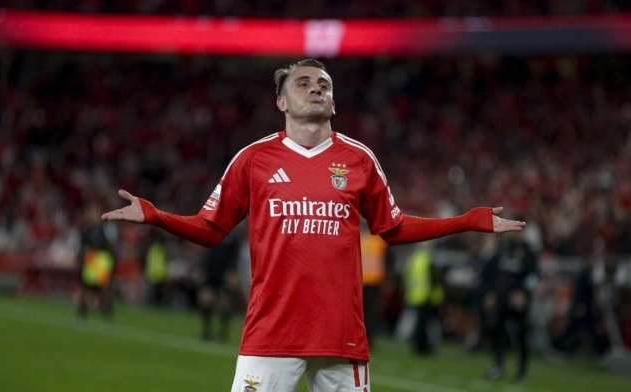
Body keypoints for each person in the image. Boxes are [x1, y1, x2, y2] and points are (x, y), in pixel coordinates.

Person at [101, 59, 526, 392]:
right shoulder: (253, 159)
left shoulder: (359, 159)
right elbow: (210, 229)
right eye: (302, 83)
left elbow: (393, 228)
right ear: (282, 103)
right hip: (270, 333)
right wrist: (156, 216)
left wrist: (467, 221)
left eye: (324, 84)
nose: (316, 88)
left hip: (341, 337)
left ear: (334, 104)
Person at [481, 230, 538, 383]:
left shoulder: (528, 252)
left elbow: (533, 276)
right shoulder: (503, 249)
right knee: (496, 330)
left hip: (517, 300)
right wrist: (490, 292)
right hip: (501, 298)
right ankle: (498, 365)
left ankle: (522, 369)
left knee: (521, 334)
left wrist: (525, 293)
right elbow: (492, 273)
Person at [76, 203, 117, 324]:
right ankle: (81, 315)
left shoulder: (106, 230)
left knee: (104, 290)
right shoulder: (85, 231)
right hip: (90, 262)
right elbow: (81, 248)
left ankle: (107, 316)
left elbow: (110, 248)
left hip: (101, 262)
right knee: (86, 290)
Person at [402, 242, 445, 356]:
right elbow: (433, 279)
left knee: (419, 323)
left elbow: (407, 276)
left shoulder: (414, 259)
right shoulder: (428, 259)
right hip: (426, 296)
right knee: (424, 324)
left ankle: (418, 345)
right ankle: (423, 346)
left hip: (414, 294)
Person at [359, 222, 391, 349]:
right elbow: (388, 262)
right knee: (369, 313)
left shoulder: (359, 239)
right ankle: (367, 340)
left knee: (366, 313)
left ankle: (365, 339)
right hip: (371, 282)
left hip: (366, 282)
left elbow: (387, 261)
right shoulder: (379, 241)